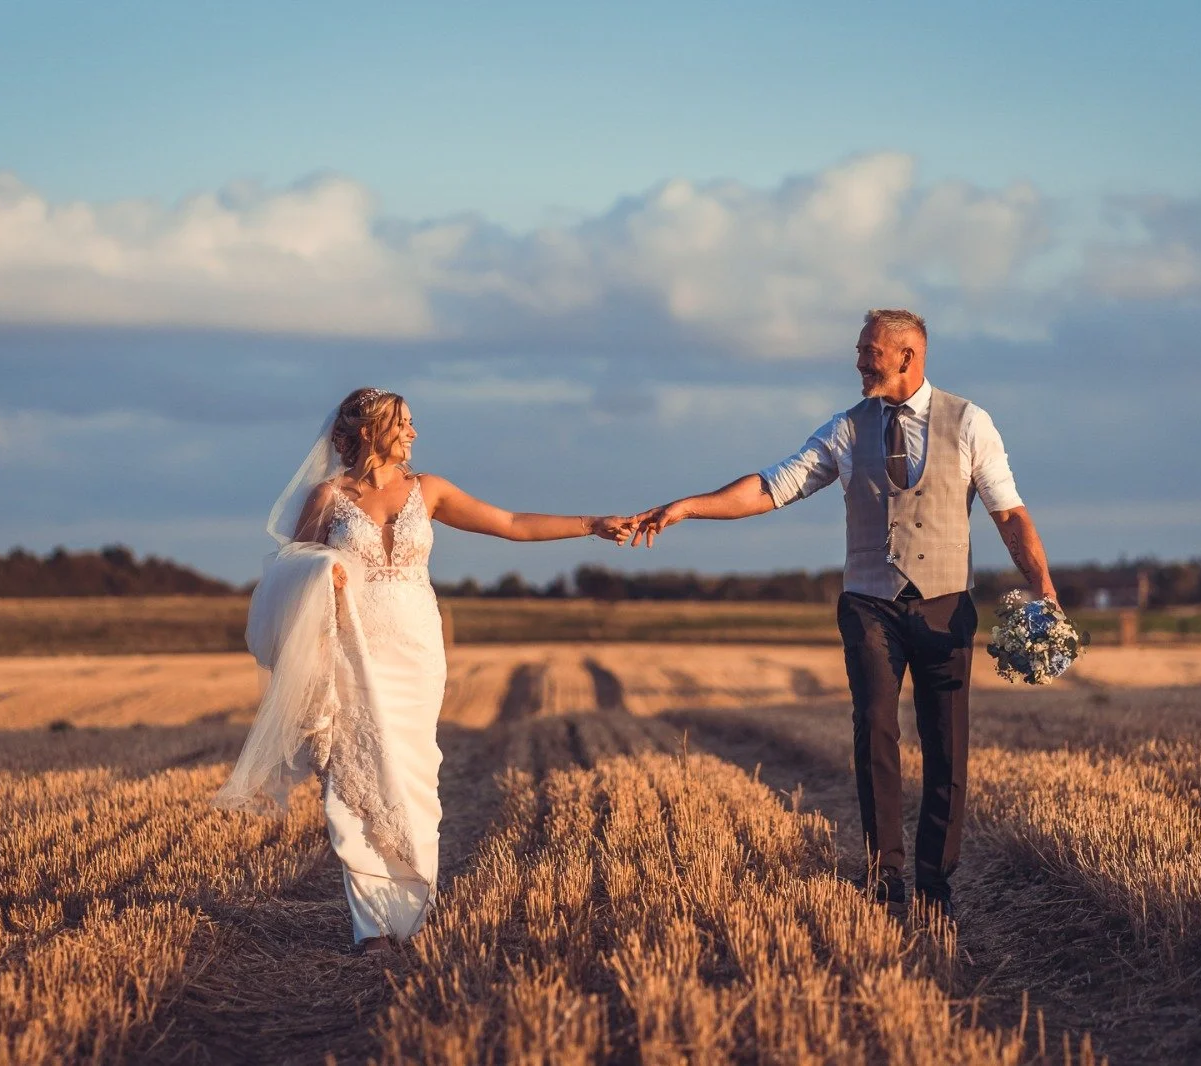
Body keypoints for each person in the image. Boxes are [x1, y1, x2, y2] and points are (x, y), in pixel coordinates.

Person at [631, 308, 1056, 923]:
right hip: (868, 604)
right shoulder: (845, 429)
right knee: (876, 733)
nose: (859, 362)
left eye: (870, 352)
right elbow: (773, 486)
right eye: (861, 351)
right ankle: (885, 881)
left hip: (944, 607)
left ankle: (936, 887)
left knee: (947, 747)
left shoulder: (969, 422)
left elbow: (1009, 514)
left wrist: (1043, 588)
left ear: (908, 356)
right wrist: (687, 507)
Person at [215, 387, 635, 954]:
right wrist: (324, 572)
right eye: (403, 423)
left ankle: (412, 913)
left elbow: (510, 522)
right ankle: (373, 929)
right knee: (354, 773)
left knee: (413, 774)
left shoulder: (428, 490)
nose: (413, 433)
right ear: (369, 430)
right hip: (353, 644)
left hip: (414, 648)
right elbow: (286, 570)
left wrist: (592, 524)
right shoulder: (329, 496)